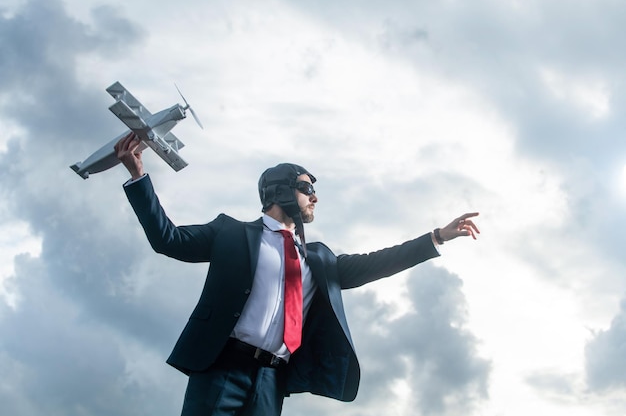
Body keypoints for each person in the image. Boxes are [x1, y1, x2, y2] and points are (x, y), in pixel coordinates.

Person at [114, 132, 480, 416]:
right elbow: (169, 239)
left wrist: (436, 237)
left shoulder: (319, 260)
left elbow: (378, 262)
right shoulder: (230, 233)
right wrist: (139, 177)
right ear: (279, 191)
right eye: (307, 188)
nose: (315, 197)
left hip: (273, 381)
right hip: (223, 368)